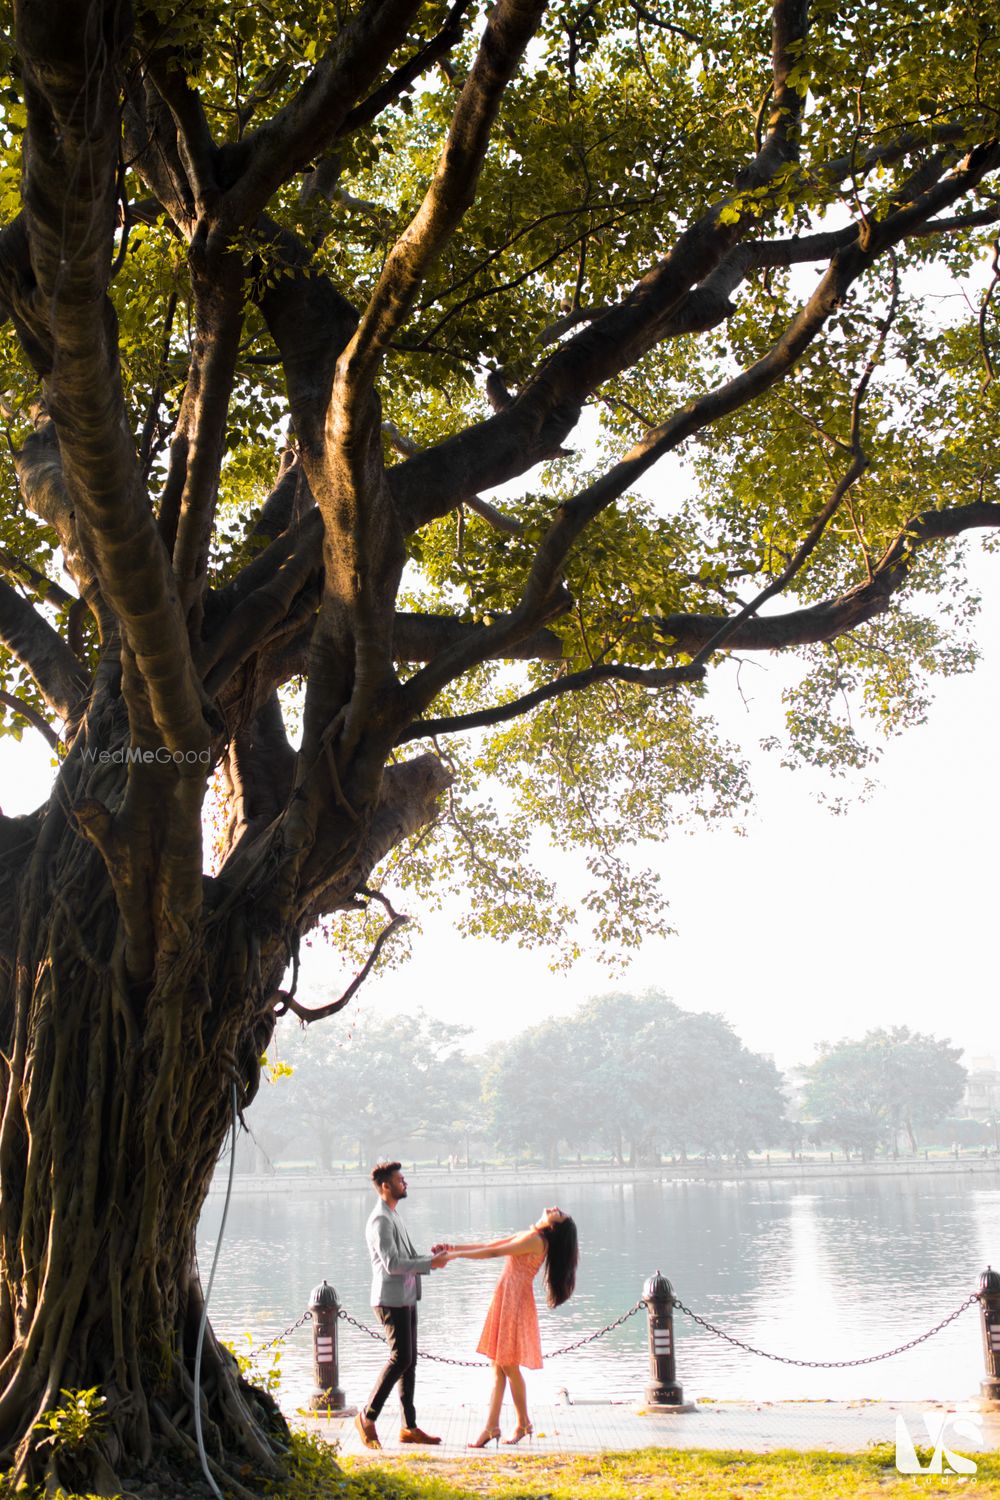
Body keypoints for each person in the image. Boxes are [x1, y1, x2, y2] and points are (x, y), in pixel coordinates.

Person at [443, 1205, 578, 1447]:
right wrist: (453, 1249)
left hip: (513, 1302)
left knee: (509, 1365)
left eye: (561, 1214)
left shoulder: (536, 1240)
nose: (557, 1209)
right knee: (498, 1366)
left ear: (556, 1225)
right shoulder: (532, 1234)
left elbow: (494, 1253)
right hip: (507, 1297)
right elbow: (492, 1245)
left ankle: (522, 1423)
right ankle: (492, 1426)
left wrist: (455, 1256)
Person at [354, 1161, 448, 1450]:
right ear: (385, 1185)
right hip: (389, 1300)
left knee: (410, 1362)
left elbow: (404, 1256)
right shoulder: (380, 1219)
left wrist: (431, 1256)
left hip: (406, 1298)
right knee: (401, 1358)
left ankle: (409, 1427)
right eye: (400, 1179)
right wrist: (429, 1264)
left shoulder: (393, 1215)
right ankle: (367, 1417)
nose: (405, 1183)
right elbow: (392, 1264)